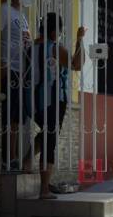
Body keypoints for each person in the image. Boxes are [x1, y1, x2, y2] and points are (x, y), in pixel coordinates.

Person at [23, 12, 86, 199]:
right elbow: (77, 64)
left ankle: (27, 160)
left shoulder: (30, 46)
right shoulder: (55, 48)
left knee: (47, 132)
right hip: (53, 99)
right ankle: (44, 189)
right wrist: (79, 40)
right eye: (59, 31)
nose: (59, 34)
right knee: (50, 139)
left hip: (31, 100)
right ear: (53, 31)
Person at [1, 0, 33, 170]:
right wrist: (2, 65)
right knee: (7, 115)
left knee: (16, 118)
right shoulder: (4, 10)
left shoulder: (22, 15)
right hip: (9, 69)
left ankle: (12, 157)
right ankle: (5, 158)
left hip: (21, 71)